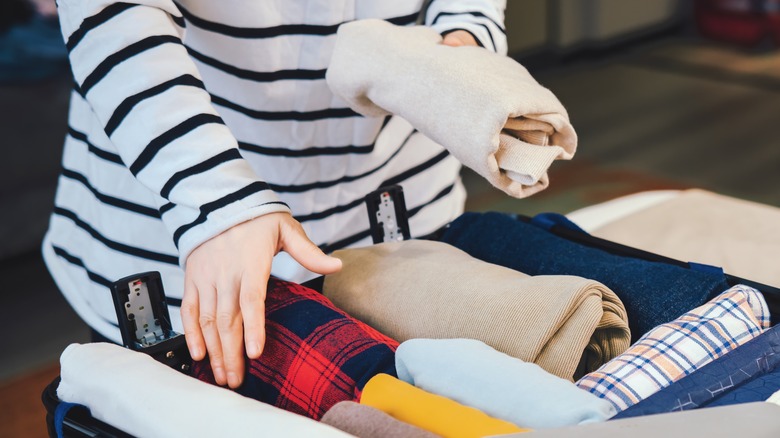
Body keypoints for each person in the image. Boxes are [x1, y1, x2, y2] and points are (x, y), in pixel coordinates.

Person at [44, 0, 508, 389]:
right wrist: (216, 197)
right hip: (178, 226)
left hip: (396, 198)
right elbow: (112, 14)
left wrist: (467, 35)